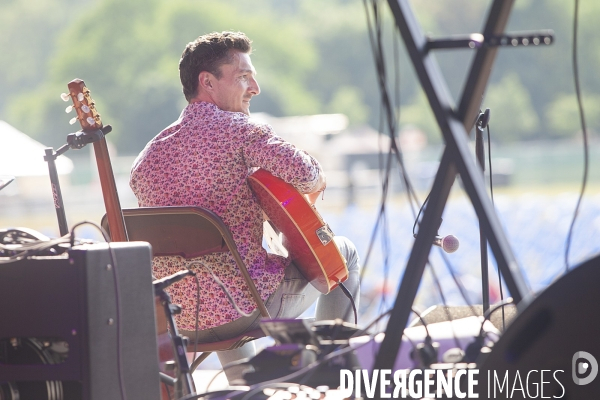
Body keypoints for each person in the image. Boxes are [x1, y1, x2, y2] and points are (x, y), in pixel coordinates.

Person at [130, 31, 360, 383]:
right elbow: (306, 174)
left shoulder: (146, 158)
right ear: (207, 82)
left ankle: (245, 385)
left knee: (215, 276)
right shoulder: (239, 130)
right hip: (245, 307)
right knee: (344, 252)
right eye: (243, 76)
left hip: (180, 319)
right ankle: (331, 372)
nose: (255, 87)